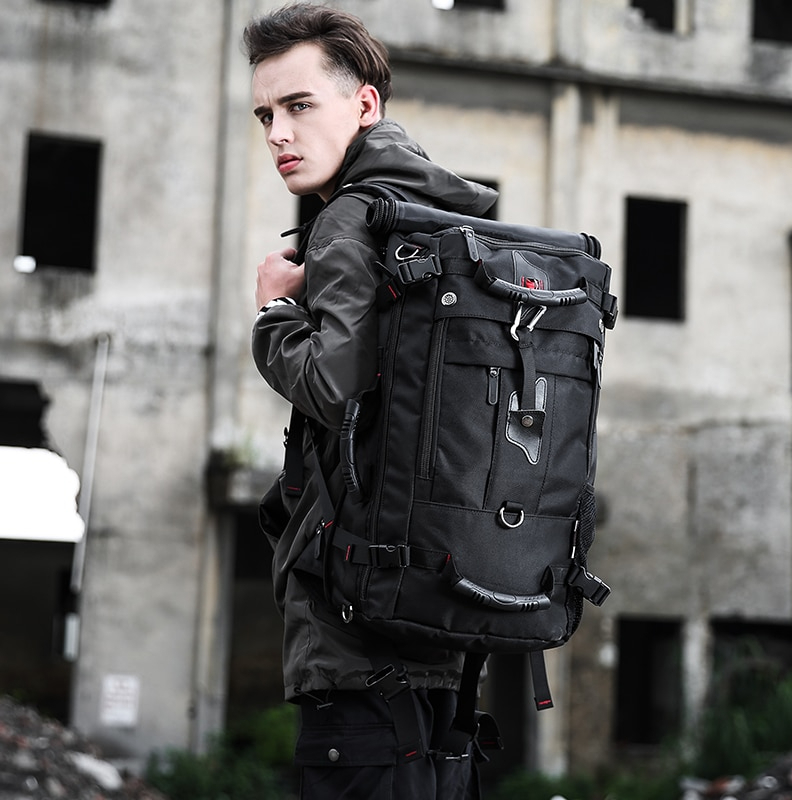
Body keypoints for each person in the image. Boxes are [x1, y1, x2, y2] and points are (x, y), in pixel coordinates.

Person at [244, 4, 497, 798]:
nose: (279, 133)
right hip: (442, 620)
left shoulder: (350, 217)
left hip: (357, 639)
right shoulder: (439, 213)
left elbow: (334, 388)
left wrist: (273, 313)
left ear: (364, 104)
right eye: (265, 115)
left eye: (299, 105)